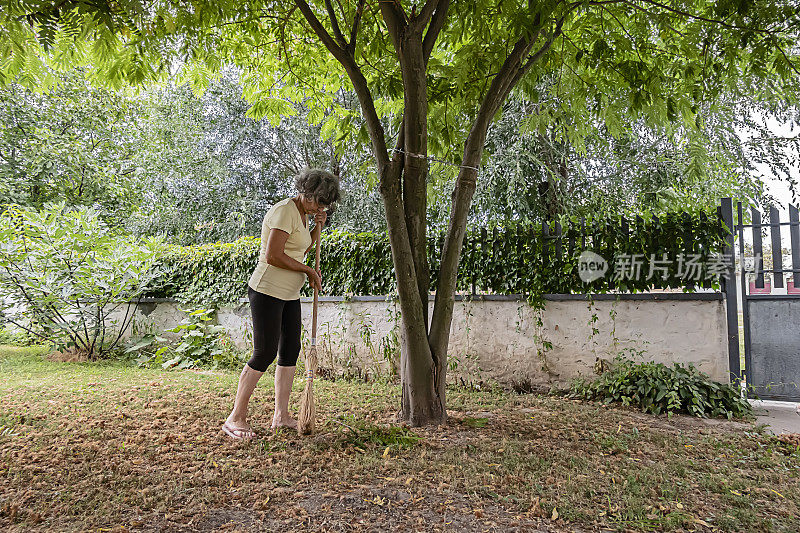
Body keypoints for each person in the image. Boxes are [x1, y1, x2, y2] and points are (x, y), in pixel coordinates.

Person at [222, 168, 340, 440]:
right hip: (267, 290)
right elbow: (273, 255)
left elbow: (300, 249)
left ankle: (281, 415)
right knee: (264, 352)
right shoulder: (284, 211)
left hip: (289, 293)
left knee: (290, 349)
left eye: (325, 204)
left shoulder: (302, 214)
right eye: (318, 201)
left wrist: (317, 227)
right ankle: (235, 417)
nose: (319, 206)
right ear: (306, 192)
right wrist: (309, 271)